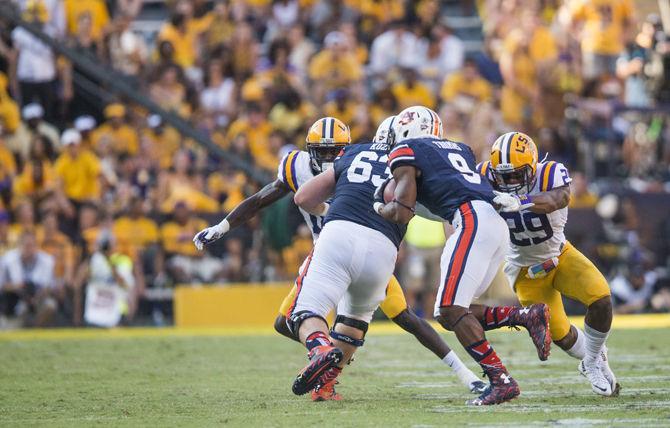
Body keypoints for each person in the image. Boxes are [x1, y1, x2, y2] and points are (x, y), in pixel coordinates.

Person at [194, 116, 485, 400]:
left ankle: (324, 360)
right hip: (375, 249)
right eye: (323, 152)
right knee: (339, 324)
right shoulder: (399, 165)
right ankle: (330, 366)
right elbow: (261, 199)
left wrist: (327, 211)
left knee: (319, 316)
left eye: (336, 152)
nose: (331, 158)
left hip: (334, 244)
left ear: (349, 147)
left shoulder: (355, 158)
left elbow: (300, 199)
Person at [376, 106, 551, 406]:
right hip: (492, 222)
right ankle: (525, 316)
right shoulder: (459, 148)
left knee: (449, 310)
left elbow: (403, 211)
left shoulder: (406, 150)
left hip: (472, 220)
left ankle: (501, 380)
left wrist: (379, 206)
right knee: (458, 310)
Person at [478, 131, 619, 397]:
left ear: (532, 168)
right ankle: (594, 357)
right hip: (524, 270)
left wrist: (521, 201)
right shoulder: (484, 174)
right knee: (561, 335)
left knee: (601, 298)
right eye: (503, 176)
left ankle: (591, 362)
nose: (508, 182)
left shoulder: (550, 172)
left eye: (516, 175)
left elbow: (559, 199)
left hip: (560, 255)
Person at [0, 230, 57, 328]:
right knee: (15, 320)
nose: (29, 249)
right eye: (26, 245)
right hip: (15, 299)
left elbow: (50, 285)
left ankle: (36, 329)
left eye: (32, 245)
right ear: (19, 245)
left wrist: (38, 296)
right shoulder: (8, 259)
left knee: (50, 305)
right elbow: (2, 285)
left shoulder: (47, 260)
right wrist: (17, 287)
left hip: (39, 298)